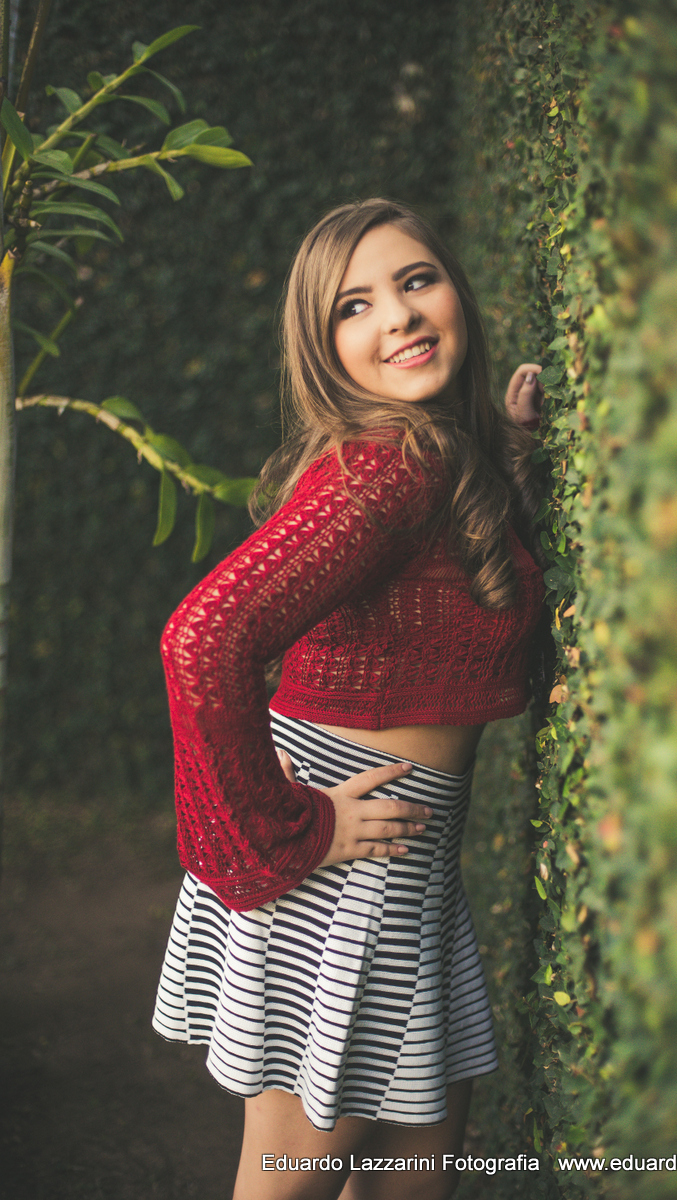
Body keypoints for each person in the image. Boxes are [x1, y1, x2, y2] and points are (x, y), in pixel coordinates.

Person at [152, 198, 546, 1200]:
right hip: (342, 862)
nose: (399, 319)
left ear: (454, 288)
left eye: (416, 282)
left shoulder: (433, 462)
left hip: (403, 863)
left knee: (419, 1168)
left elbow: (441, 591)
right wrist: (290, 831)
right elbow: (203, 639)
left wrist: (512, 452)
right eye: (354, 308)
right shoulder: (389, 471)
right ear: (323, 350)